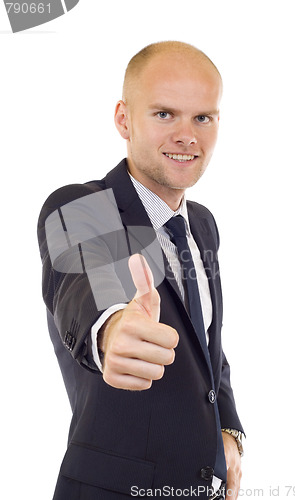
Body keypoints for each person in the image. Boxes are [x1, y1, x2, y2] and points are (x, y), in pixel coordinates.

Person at [38, 41, 244, 500]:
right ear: (124, 119)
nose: (187, 135)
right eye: (165, 114)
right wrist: (111, 330)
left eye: (203, 118)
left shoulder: (203, 225)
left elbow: (209, 344)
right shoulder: (87, 208)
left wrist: (228, 430)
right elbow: (86, 287)